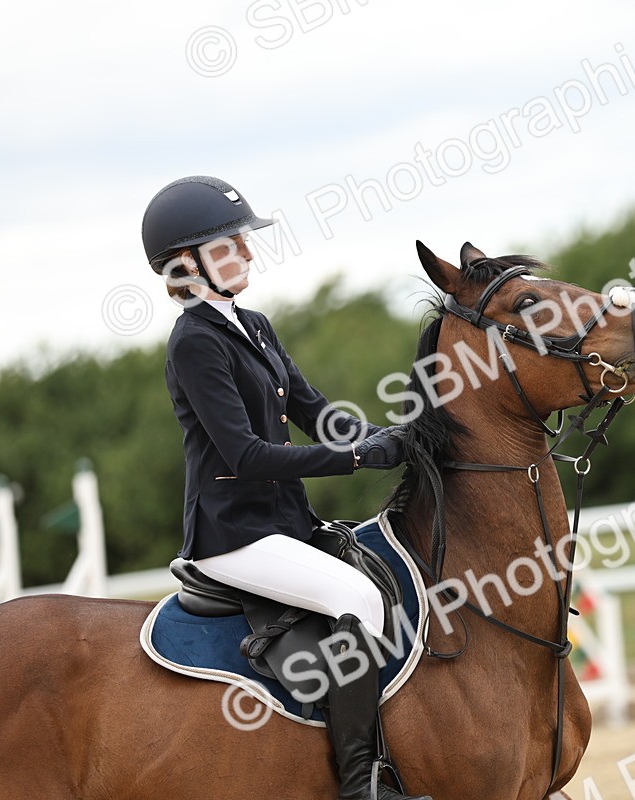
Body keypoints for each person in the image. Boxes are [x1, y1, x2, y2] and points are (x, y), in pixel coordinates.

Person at [142, 176, 428, 800]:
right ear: (187, 264)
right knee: (356, 597)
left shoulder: (255, 325)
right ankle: (360, 786)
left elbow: (315, 411)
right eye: (230, 245)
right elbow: (246, 455)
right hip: (234, 536)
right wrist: (358, 457)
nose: (247, 252)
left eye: (243, 241)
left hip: (285, 525)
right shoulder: (194, 343)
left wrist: (400, 436)